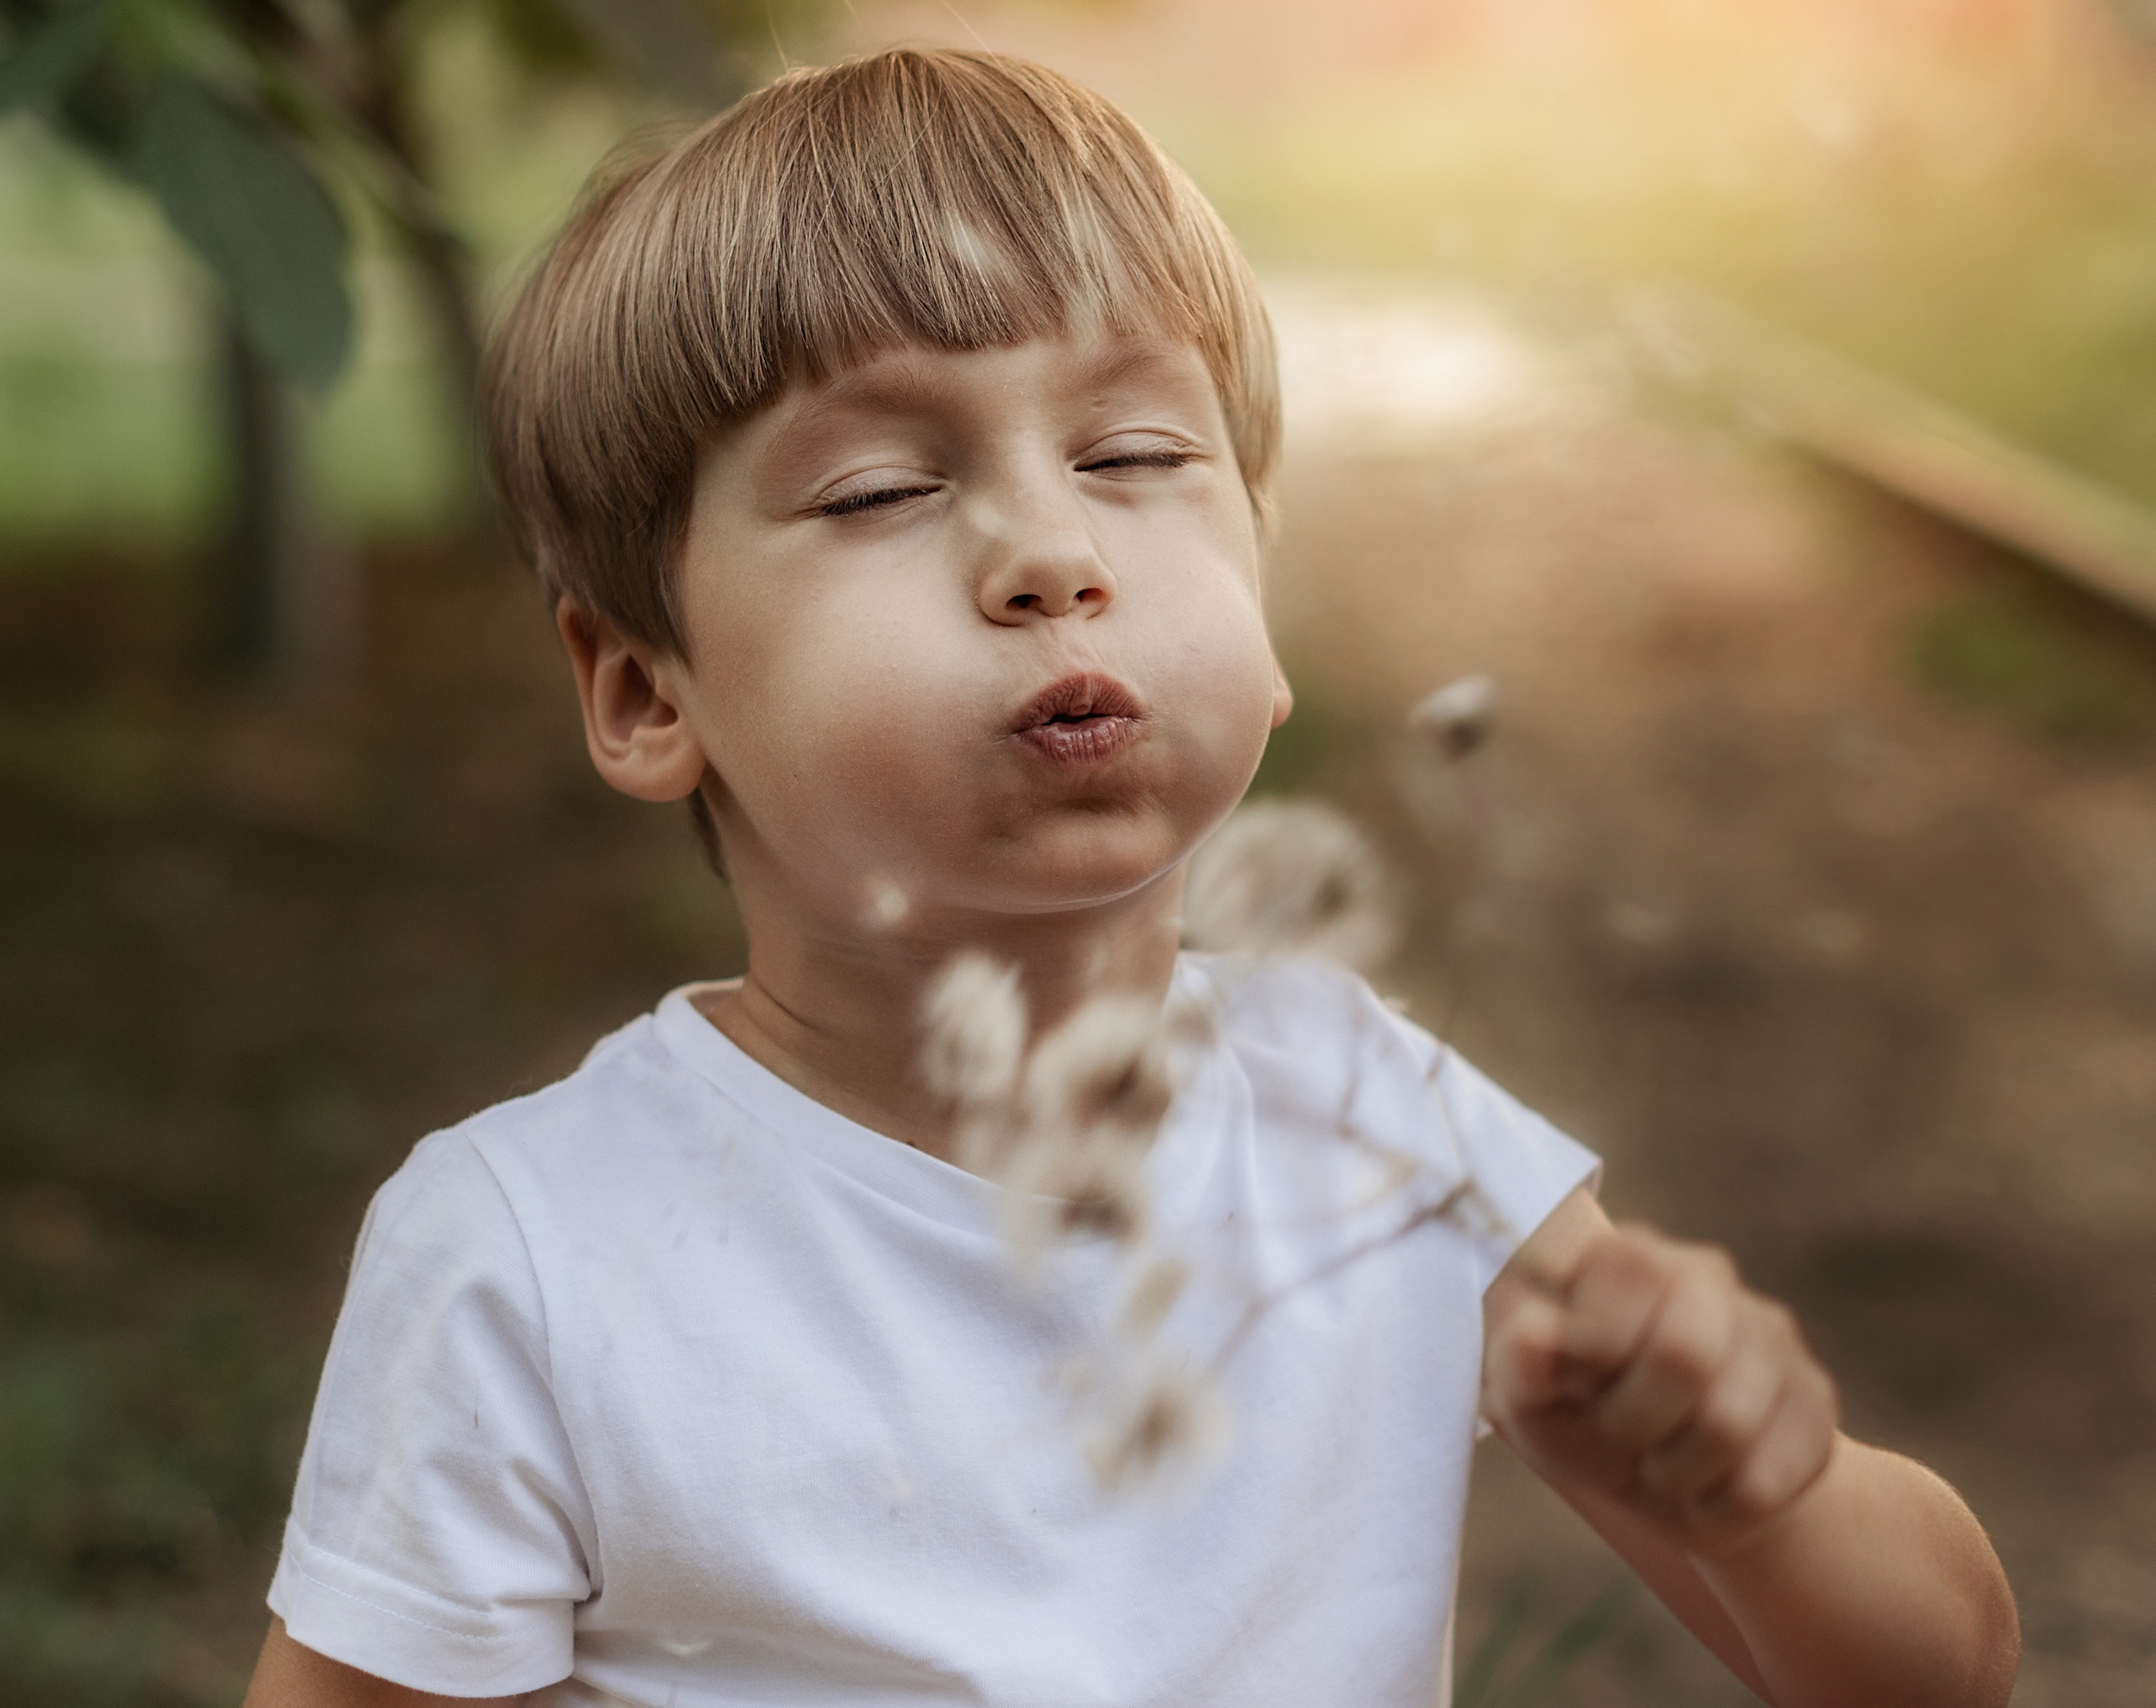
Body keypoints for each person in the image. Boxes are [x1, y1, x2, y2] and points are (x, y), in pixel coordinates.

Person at [241, 46, 2019, 1708]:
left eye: (1135, 457)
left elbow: (1935, 1669)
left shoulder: (1374, 1130)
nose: (1051, 548)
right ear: (646, 691)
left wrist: (1759, 1497)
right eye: (878, 488)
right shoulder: (530, 1259)